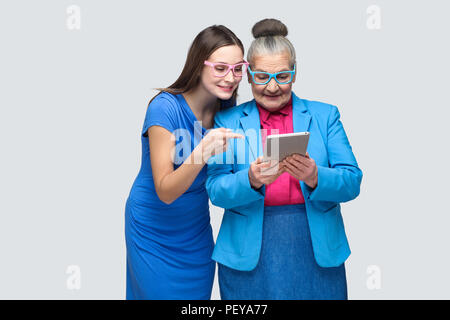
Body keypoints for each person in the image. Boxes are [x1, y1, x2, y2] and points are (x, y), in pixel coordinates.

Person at [206, 19, 363, 300]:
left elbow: (352, 182)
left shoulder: (325, 116)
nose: (272, 87)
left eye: (282, 76)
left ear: (295, 72)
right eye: (262, 77)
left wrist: (316, 177)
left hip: (315, 246)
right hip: (248, 251)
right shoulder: (226, 120)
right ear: (250, 74)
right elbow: (215, 190)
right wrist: (250, 180)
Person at [125, 25, 246, 300]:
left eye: (238, 68)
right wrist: (201, 153)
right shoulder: (164, 107)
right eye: (220, 68)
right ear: (198, 65)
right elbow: (165, 190)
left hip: (195, 232)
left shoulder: (226, 113)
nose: (231, 77)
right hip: (152, 230)